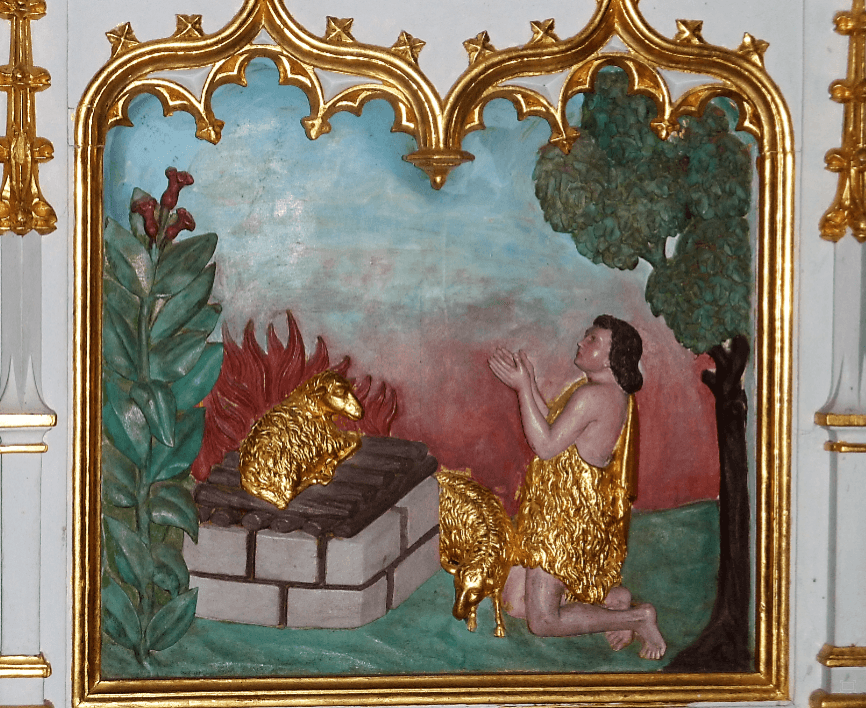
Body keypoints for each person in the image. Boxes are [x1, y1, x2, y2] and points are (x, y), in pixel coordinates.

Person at [488, 314, 666, 659]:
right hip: (554, 509)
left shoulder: (593, 396)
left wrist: (522, 389)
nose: (581, 343)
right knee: (515, 603)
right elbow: (555, 427)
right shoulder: (597, 392)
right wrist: (528, 384)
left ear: (614, 356)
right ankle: (613, 602)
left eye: (593, 339)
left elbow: (546, 445)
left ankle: (638, 618)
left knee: (542, 622)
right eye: (586, 336)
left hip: (565, 521)